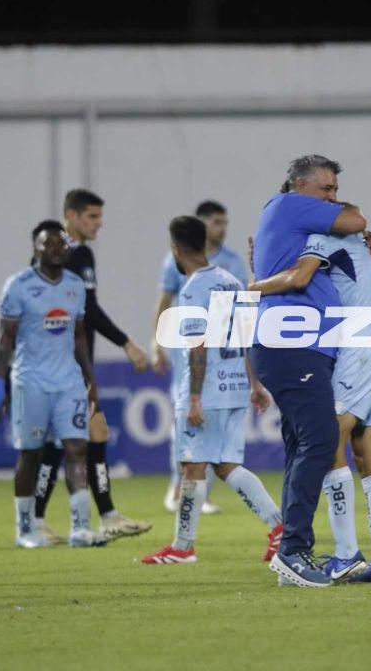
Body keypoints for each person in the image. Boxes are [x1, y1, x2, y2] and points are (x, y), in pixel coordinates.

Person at [249, 154, 370, 587]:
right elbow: (356, 219)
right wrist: (350, 220)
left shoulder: (298, 221)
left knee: (302, 445)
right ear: (300, 187)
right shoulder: (288, 205)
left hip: (295, 343)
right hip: (292, 343)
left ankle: (291, 553)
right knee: (321, 439)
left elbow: (354, 230)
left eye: (335, 191)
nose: (334, 199)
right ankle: (294, 549)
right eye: (327, 191)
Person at [142, 216, 282, 565]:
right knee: (226, 465)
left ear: (175, 248)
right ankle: (280, 528)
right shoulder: (233, 282)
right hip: (234, 386)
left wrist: (192, 397)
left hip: (207, 391)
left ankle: (182, 547)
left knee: (191, 464)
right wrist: (254, 384)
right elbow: (246, 337)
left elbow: (198, 345)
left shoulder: (192, 289)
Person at [32, 189, 151, 544]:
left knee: (94, 434)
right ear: (71, 215)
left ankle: (106, 515)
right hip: (67, 364)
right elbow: (89, 310)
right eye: (92, 217)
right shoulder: (74, 253)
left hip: (61, 361)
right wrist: (126, 343)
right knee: (60, 442)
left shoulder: (50, 254)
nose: (99, 224)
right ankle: (37, 519)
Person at [0, 220, 106, 548]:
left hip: (68, 381)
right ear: (35, 248)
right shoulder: (18, 285)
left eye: (60, 244)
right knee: (31, 454)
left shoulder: (74, 285)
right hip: (31, 381)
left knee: (76, 449)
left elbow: (80, 336)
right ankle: (25, 529)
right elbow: (5, 340)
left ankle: (81, 527)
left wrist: (90, 380)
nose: (55, 249)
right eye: (47, 244)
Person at [152, 200, 247, 515]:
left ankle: (190, 506)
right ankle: (180, 490)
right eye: (217, 222)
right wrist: (157, 343)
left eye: (225, 222)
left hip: (211, 364)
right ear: (204, 226)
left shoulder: (222, 269)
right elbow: (164, 301)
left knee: (209, 451)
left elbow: (241, 322)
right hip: (195, 363)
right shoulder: (187, 267)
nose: (223, 228)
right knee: (214, 455)